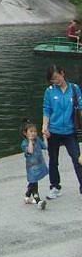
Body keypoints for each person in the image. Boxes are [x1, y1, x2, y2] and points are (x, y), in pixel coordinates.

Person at [41, 64, 82, 199]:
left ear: (62, 73)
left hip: (70, 130)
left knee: (77, 159)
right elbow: (47, 109)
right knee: (53, 160)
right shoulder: (50, 91)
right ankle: (55, 186)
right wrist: (45, 126)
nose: (55, 81)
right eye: (52, 79)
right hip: (54, 131)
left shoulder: (75, 89)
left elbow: (80, 107)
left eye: (56, 77)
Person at [21, 120, 48, 209]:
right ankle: (38, 201)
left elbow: (45, 146)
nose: (33, 133)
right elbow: (30, 151)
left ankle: (27, 196)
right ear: (25, 133)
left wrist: (44, 137)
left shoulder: (37, 140)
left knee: (32, 183)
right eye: (31, 132)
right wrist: (30, 141)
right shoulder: (24, 143)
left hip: (39, 166)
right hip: (31, 169)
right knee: (34, 183)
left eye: (35, 131)